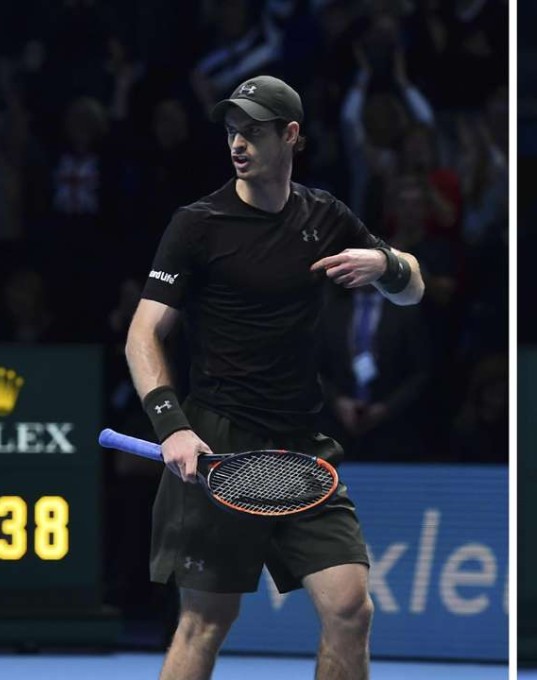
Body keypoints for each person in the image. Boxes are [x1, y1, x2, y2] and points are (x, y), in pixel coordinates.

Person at [124, 74, 424, 680]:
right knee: (205, 623)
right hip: (215, 441)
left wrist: (385, 262)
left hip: (300, 448)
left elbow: (413, 288)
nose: (238, 141)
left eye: (254, 130)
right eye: (232, 129)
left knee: (350, 609)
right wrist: (172, 427)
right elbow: (143, 334)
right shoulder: (198, 224)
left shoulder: (326, 216)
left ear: (291, 136)